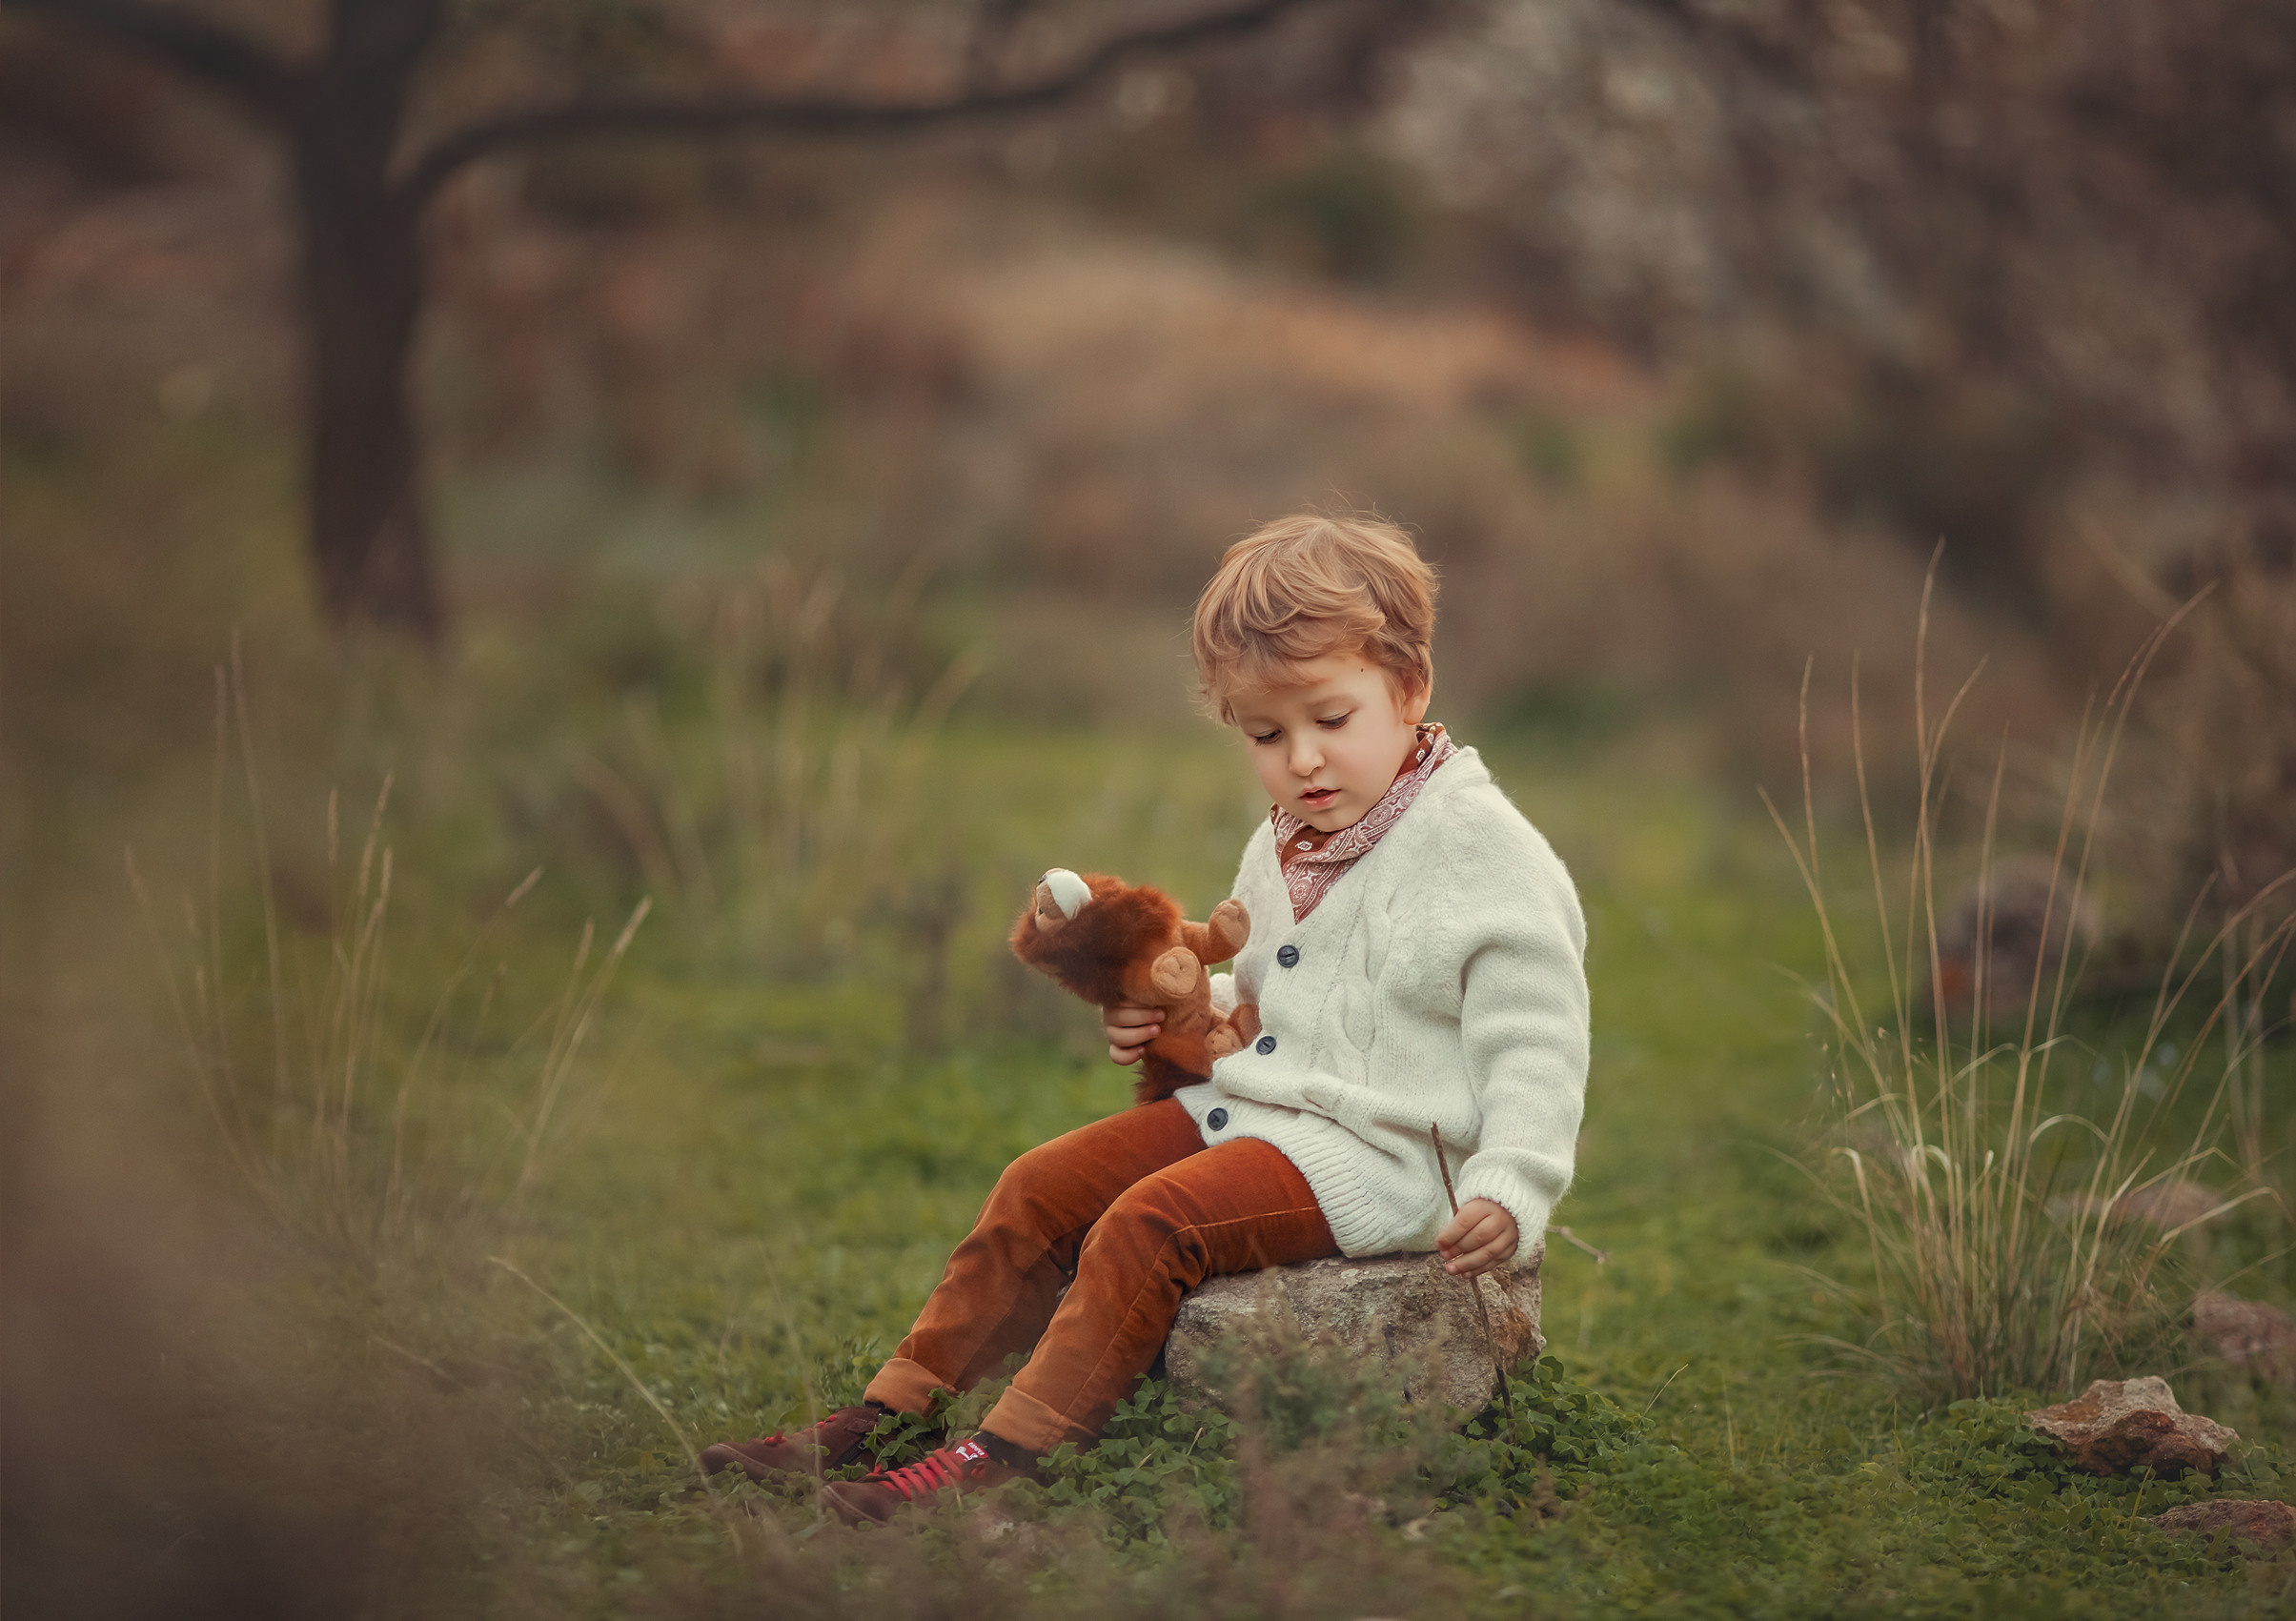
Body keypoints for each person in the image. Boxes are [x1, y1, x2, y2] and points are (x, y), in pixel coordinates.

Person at [701, 513, 1590, 1524]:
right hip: (1266, 1111)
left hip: (1382, 1153)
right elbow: (1282, 997)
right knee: (1038, 1186)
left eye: (1331, 719)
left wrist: (1513, 1180)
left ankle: (1006, 1459)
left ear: (1410, 686)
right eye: (1267, 735)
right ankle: (892, 1415)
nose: (1302, 759)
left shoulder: (1480, 851)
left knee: (1151, 1223)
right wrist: (1185, 1016)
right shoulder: (1296, 835)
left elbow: (1538, 1033)